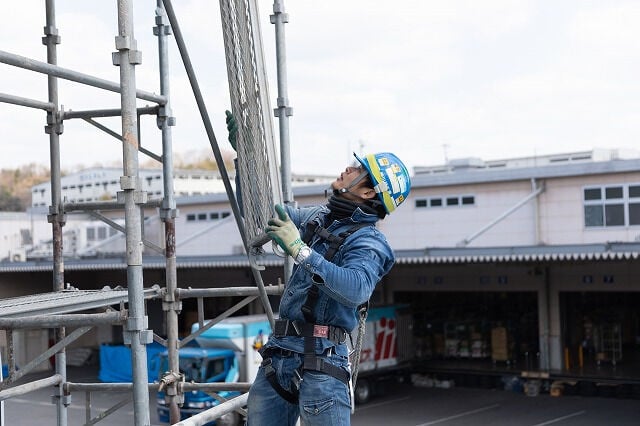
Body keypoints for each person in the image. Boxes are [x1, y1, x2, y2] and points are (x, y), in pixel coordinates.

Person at [244, 143, 411, 425]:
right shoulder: (319, 218)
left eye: (359, 170)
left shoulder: (369, 242)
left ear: (369, 192)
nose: (349, 168)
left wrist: (300, 249)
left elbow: (356, 288)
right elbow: (263, 217)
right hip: (279, 355)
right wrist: (246, 160)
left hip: (322, 363)